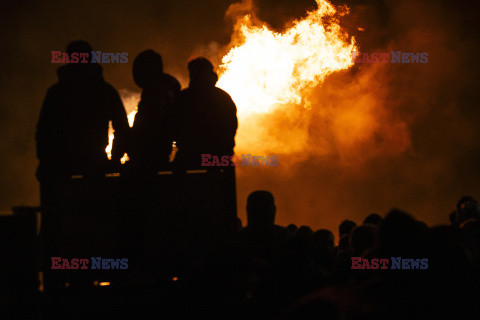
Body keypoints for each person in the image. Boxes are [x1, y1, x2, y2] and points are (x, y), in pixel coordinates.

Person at [36, 40, 129, 179]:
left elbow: (43, 131)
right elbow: (123, 129)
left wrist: (46, 161)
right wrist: (114, 160)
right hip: (94, 163)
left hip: (60, 166)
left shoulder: (57, 92)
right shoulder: (104, 91)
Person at [175, 57, 238, 169]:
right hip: (219, 158)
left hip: (189, 157)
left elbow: (172, 126)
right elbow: (231, 127)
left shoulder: (183, 98)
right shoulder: (223, 98)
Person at [130, 50, 181, 173]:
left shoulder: (154, 89)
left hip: (150, 153)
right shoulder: (170, 86)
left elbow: (147, 121)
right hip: (164, 149)